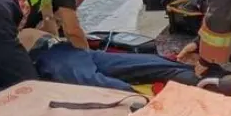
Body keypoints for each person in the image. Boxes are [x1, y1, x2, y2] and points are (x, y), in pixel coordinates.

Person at [18, 28, 204, 91]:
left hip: (75, 52)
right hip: (54, 58)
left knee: (154, 62)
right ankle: (147, 106)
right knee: (114, 89)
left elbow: (68, 29)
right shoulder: (5, 40)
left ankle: (209, 80)